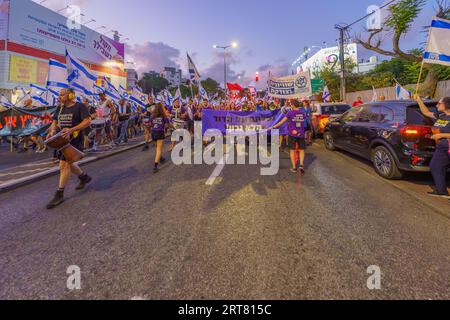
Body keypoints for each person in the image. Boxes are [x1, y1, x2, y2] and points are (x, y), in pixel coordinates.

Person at [45, 88, 92, 209]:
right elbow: (54, 122)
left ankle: (59, 194)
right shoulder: (60, 107)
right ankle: (84, 177)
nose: (60, 97)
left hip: (74, 139)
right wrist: (52, 130)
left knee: (63, 165)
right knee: (69, 163)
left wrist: (72, 130)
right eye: (59, 94)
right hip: (61, 139)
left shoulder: (80, 106)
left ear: (70, 95)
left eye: (62, 95)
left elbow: (87, 121)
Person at [415, 95, 450, 199]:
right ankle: (441, 191)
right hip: (441, 148)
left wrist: (441, 135)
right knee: (435, 166)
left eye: (439, 103)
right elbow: (426, 112)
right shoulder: (441, 115)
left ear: (447, 105)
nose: (436, 105)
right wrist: (419, 100)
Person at [272, 100, 307, 173]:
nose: (290, 106)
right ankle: (301, 165)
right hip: (301, 133)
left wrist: (274, 126)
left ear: (293, 105)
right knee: (301, 150)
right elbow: (303, 120)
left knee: (292, 150)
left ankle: (294, 168)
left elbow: (282, 122)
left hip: (292, 134)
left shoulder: (290, 112)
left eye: (291, 105)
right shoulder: (302, 112)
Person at [150, 102, 172, 173]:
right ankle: (155, 166)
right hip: (159, 132)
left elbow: (150, 123)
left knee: (157, 148)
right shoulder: (163, 116)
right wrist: (174, 127)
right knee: (159, 149)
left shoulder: (152, 115)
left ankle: (160, 157)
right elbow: (169, 125)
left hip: (153, 132)